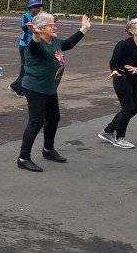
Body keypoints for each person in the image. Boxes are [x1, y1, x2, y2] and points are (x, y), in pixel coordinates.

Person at [17, 12, 91, 172]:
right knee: (36, 122)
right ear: (41, 29)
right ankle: (23, 158)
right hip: (35, 88)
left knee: (54, 118)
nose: (55, 27)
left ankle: (48, 150)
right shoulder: (35, 45)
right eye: (52, 25)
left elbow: (68, 44)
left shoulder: (54, 42)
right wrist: (35, 36)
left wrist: (84, 29)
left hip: (49, 87)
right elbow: (34, 48)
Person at [98, 18, 137, 149]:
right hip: (121, 78)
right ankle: (119, 138)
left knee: (132, 110)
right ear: (132, 31)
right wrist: (114, 70)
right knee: (128, 109)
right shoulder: (123, 45)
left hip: (136, 79)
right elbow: (113, 61)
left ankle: (107, 131)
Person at [8, 0, 43, 97]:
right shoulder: (26, 16)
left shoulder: (39, 17)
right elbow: (23, 27)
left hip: (34, 44)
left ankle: (14, 86)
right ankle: (19, 91)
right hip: (24, 45)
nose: (38, 9)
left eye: (39, 7)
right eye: (35, 7)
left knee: (30, 67)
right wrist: (32, 21)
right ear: (30, 8)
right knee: (25, 66)